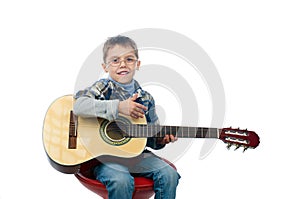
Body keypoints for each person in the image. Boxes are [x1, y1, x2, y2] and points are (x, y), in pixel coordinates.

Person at [73, 35, 180, 199]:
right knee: (121, 180)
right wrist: (118, 107)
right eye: (115, 60)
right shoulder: (103, 87)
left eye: (129, 59)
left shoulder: (146, 99)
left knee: (169, 174)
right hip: (105, 158)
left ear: (137, 64)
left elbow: (148, 137)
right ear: (105, 67)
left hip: (137, 156)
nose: (122, 64)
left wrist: (160, 140)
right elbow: (79, 106)